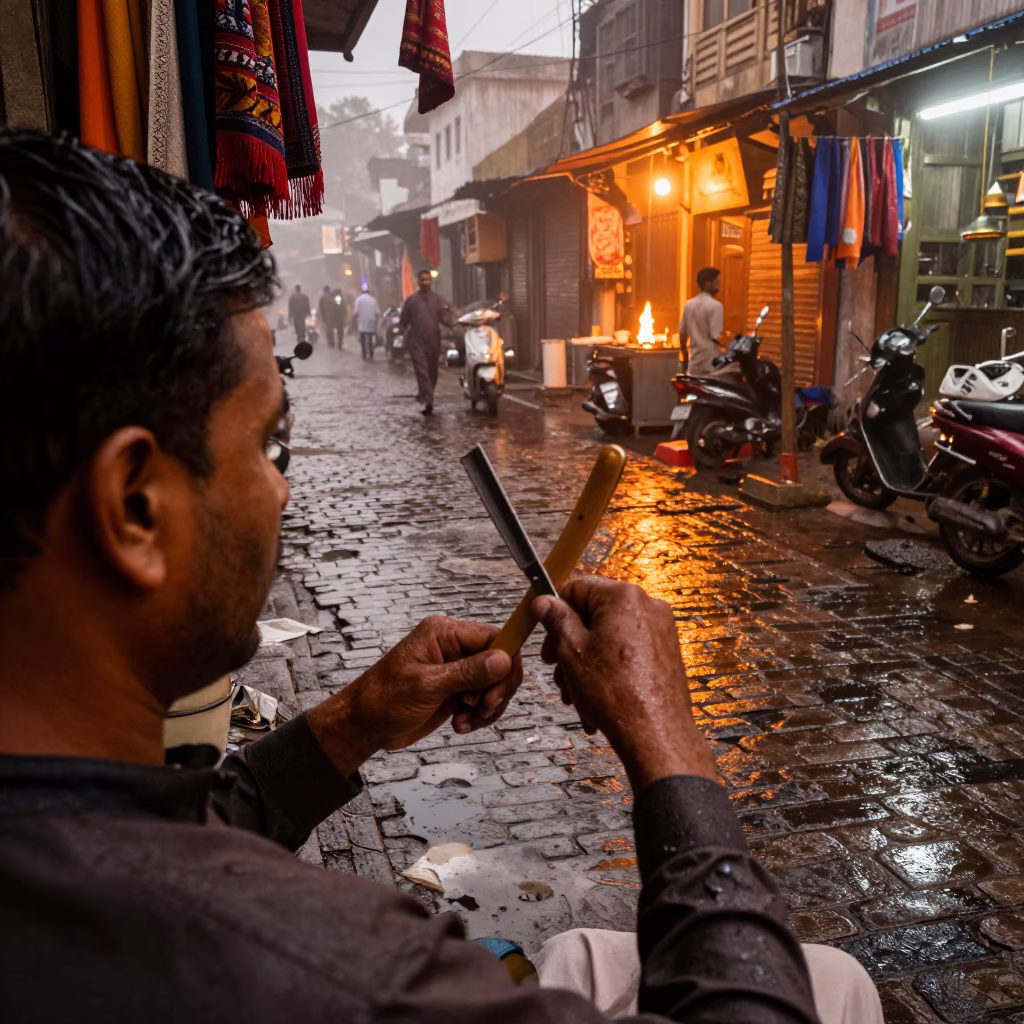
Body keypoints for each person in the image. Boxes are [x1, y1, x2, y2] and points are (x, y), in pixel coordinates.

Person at [0, 129, 884, 1024]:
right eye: (269, 446)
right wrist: (671, 745)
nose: (282, 489)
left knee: (593, 955)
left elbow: (183, 829)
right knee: (833, 985)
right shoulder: (349, 974)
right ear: (135, 505)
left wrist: (351, 721)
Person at [400, 269, 452, 415]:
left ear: (431, 281)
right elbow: (404, 320)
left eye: (427, 280)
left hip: (433, 341)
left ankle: (425, 394)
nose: (425, 282)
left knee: (432, 372)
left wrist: (455, 322)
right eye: (422, 280)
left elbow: (445, 318)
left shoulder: (438, 300)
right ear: (418, 282)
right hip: (416, 342)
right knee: (422, 371)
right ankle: (429, 400)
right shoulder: (411, 301)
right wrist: (402, 331)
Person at [679, 266, 727, 377]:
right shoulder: (716, 306)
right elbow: (715, 335)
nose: (718, 287)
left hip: (694, 364)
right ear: (707, 284)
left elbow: (682, 333)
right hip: (710, 365)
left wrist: (684, 353)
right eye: (716, 283)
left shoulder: (689, 305)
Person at [353, 283, 381, 361]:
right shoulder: (373, 300)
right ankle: (371, 354)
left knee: (363, 340)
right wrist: (376, 322)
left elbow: (356, 312)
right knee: (370, 339)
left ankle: (364, 354)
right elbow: (377, 312)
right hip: (371, 322)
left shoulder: (358, 299)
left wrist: (354, 321)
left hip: (362, 323)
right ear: (368, 291)